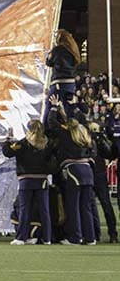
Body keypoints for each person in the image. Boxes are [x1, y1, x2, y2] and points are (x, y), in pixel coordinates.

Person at [47, 94, 97, 245]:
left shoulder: (67, 135)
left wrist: (54, 108)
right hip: (88, 171)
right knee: (86, 206)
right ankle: (90, 238)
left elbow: (52, 124)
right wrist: (68, 109)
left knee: (72, 205)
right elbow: (82, 120)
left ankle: (75, 237)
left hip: (73, 170)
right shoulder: (85, 135)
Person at [3, 120, 53, 245]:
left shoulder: (22, 144)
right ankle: (47, 238)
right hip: (42, 180)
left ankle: (21, 238)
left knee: (24, 209)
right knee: (44, 210)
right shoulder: (46, 144)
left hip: (26, 180)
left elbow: (7, 153)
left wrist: (7, 140)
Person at [88, 122, 118, 243]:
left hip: (94, 174)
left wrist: (100, 139)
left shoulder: (83, 138)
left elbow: (109, 153)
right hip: (98, 174)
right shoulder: (96, 138)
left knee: (94, 206)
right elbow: (109, 153)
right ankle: (109, 234)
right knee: (102, 205)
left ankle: (98, 234)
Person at [45, 29, 81, 123]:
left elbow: (48, 62)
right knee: (69, 108)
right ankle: (74, 130)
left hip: (59, 83)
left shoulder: (57, 50)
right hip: (70, 85)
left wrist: (51, 51)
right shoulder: (73, 50)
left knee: (49, 106)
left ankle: (45, 131)